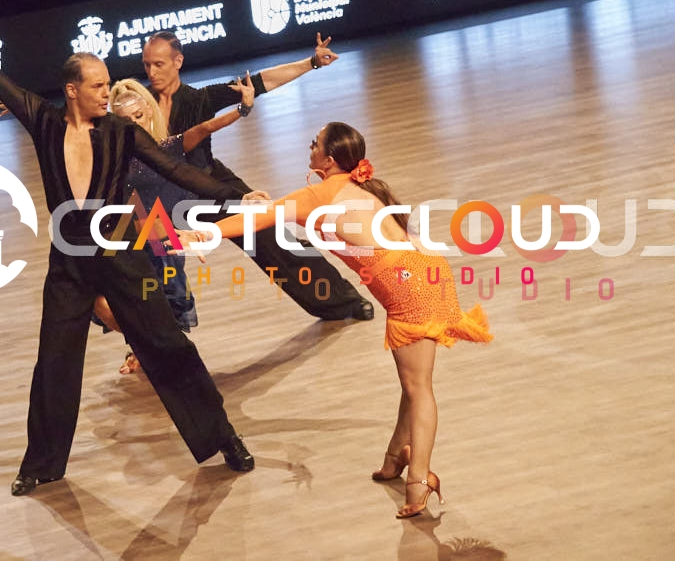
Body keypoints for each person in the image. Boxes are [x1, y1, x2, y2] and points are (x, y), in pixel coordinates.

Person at [0, 0, 258, 497]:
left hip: (121, 253)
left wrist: (236, 196)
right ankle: (42, 464)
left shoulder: (121, 132)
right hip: (69, 262)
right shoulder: (44, 121)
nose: (107, 92)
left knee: (167, 345)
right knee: (55, 360)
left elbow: (177, 169)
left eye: (107, 83)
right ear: (72, 90)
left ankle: (223, 438)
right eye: (97, 85)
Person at [177, 122, 494, 518]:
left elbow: (257, 219)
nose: (309, 147)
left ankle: (419, 479)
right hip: (425, 272)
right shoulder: (362, 187)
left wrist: (201, 235)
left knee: (419, 388)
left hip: (408, 286)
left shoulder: (320, 194)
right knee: (413, 383)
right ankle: (396, 457)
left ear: (327, 160)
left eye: (315, 144)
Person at [143, 31, 375, 322]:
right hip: (165, 196)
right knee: (154, 264)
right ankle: (152, 337)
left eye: (159, 64)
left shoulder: (199, 99)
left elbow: (262, 82)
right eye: (147, 65)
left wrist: (312, 62)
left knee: (274, 238)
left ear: (178, 62)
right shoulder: (139, 103)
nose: (151, 72)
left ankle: (342, 301)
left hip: (211, 185)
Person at [92, 75, 258, 374]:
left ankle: (155, 353)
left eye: (139, 116)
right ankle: (145, 347)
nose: (135, 124)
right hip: (128, 233)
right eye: (126, 121)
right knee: (120, 299)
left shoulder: (166, 148)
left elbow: (206, 127)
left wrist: (243, 109)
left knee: (164, 297)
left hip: (162, 234)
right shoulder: (111, 156)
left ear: (149, 110)